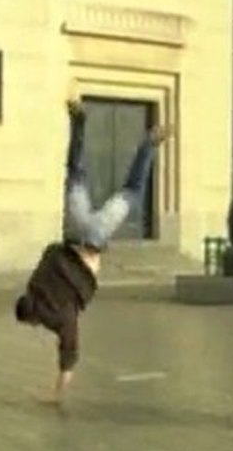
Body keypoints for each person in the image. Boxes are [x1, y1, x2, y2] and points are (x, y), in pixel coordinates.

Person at [15, 99, 170, 404]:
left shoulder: (59, 317)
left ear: (33, 320)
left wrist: (56, 395)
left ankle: (149, 144)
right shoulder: (36, 284)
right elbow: (49, 252)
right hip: (76, 231)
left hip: (95, 238)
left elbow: (69, 351)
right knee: (76, 172)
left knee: (132, 190)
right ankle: (79, 122)